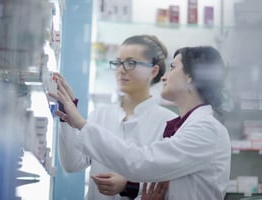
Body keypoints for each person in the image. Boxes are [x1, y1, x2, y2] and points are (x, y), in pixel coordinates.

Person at [49, 46, 231, 200]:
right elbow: (164, 180)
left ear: (191, 76)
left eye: (173, 68)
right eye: (118, 63)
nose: (165, 77)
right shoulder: (186, 126)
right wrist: (131, 186)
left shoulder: (205, 129)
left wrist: (81, 123)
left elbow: (139, 161)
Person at [53, 35, 177, 200]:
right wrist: (66, 114)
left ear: (153, 71)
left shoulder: (169, 122)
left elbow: (166, 185)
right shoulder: (100, 114)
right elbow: (72, 164)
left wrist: (129, 185)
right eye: (118, 62)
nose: (121, 69)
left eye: (130, 63)